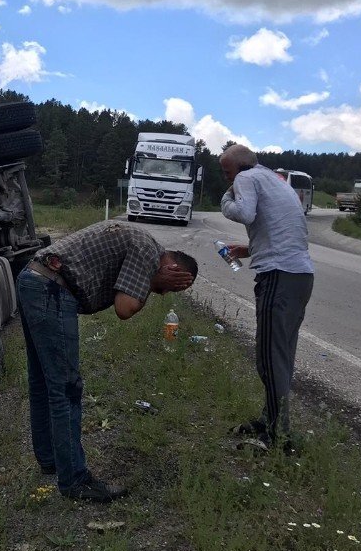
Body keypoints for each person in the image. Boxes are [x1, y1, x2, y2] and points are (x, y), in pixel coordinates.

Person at [17, 221, 198, 503]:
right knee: (66, 389)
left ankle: (52, 459)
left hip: (34, 279)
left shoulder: (143, 242)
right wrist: (151, 284)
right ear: (172, 269)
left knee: (44, 382)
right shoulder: (149, 254)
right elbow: (125, 308)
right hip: (51, 289)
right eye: (170, 288)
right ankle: (75, 480)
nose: (164, 294)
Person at [219, 144, 315, 453]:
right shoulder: (276, 180)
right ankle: (270, 419)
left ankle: (277, 438)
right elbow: (287, 229)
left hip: (278, 276)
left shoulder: (246, 179)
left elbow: (244, 212)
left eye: (226, 173)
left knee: (268, 359)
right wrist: (248, 249)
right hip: (300, 276)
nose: (227, 179)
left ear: (239, 168)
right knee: (281, 355)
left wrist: (226, 201)